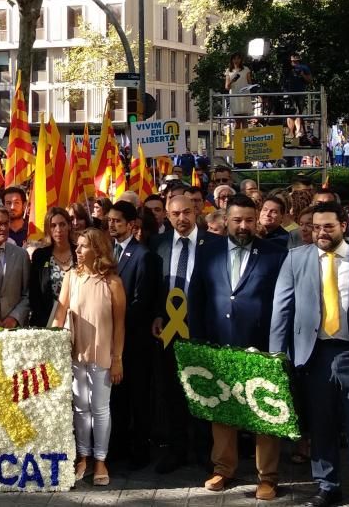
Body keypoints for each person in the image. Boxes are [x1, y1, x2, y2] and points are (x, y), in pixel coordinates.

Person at [270, 202, 349, 507]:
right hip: (313, 357)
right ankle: (328, 486)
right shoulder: (295, 259)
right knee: (321, 424)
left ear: (344, 226)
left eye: (328, 226)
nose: (321, 233)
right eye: (316, 227)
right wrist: (276, 355)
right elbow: (281, 310)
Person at [188, 194, 288, 499]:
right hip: (219, 344)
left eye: (248, 220)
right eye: (236, 220)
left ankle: (267, 477)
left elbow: (283, 303)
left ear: (256, 219)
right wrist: (200, 342)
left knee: (265, 412)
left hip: (261, 347)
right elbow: (196, 296)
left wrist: (276, 348)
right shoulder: (209, 251)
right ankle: (223, 469)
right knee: (222, 410)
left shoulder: (275, 253)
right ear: (226, 220)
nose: (243, 226)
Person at [152, 195, 223, 474]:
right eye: (174, 214)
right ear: (168, 217)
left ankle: (205, 451)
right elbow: (155, 287)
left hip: (202, 327)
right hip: (169, 330)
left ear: (196, 212)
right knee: (172, 392)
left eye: (186, 212)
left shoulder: (215, 245)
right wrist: (158, 313)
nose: (181, 219)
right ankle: (176, 449)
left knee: (203, 390)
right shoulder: (158, 245)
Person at [52, 228, 126, 487]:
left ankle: (101, 461)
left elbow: (120, 325)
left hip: (103, 353)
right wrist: (51, 342)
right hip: (76, 352)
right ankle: (83, 457)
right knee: (80, 407)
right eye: (78, 245)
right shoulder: (71, 276)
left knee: (100, 408)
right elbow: (59, 315)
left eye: (83, 246)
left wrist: (117, 358)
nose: (78, 250)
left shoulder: (113, 283)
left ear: (98, 250)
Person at [105, 201, 160, 469]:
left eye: (117, 221)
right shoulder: (105, 252)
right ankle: (117, 447)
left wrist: (115, 321)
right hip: (110, 340)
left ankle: (139, 451)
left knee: (138, 396)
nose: (112, 225)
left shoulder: (143, 255)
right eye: (109, 220)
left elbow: (142, 301)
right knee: (116, 397)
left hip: (135, 339)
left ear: (131, 224)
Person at [30, 208, 77, 328]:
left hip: (78, 318)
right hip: (47, 320)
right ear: (48, 229)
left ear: (69, 226)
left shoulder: (79, 252)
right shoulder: (40, 256)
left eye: (62, 224)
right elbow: (35, 294)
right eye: (53, 225)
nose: (58, 230)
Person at [283, 52, 312, 142]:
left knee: (299, 112)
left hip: (300, 92)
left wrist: (302, 74)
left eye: (296, 58)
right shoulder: (287, 68)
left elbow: (310, 80)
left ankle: (298, 131)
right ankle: (291, 132)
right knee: (290, 112)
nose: (294, 60)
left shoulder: (304, 67)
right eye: (293, 57)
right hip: (288, 92)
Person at [224, 52, 254, 125]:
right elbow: (227, 87)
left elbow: (250, 83)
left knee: (244, 121)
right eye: (234, 59)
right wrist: (232, 81)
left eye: (238, 58)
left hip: (244, 95)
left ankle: (245, 136)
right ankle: (237, 136)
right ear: (232, 60)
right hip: (234, 96)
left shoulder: (246, 69)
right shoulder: (229, 71)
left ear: (241, 60)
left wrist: (247, 88)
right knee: (237, 121)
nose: (236, 60)